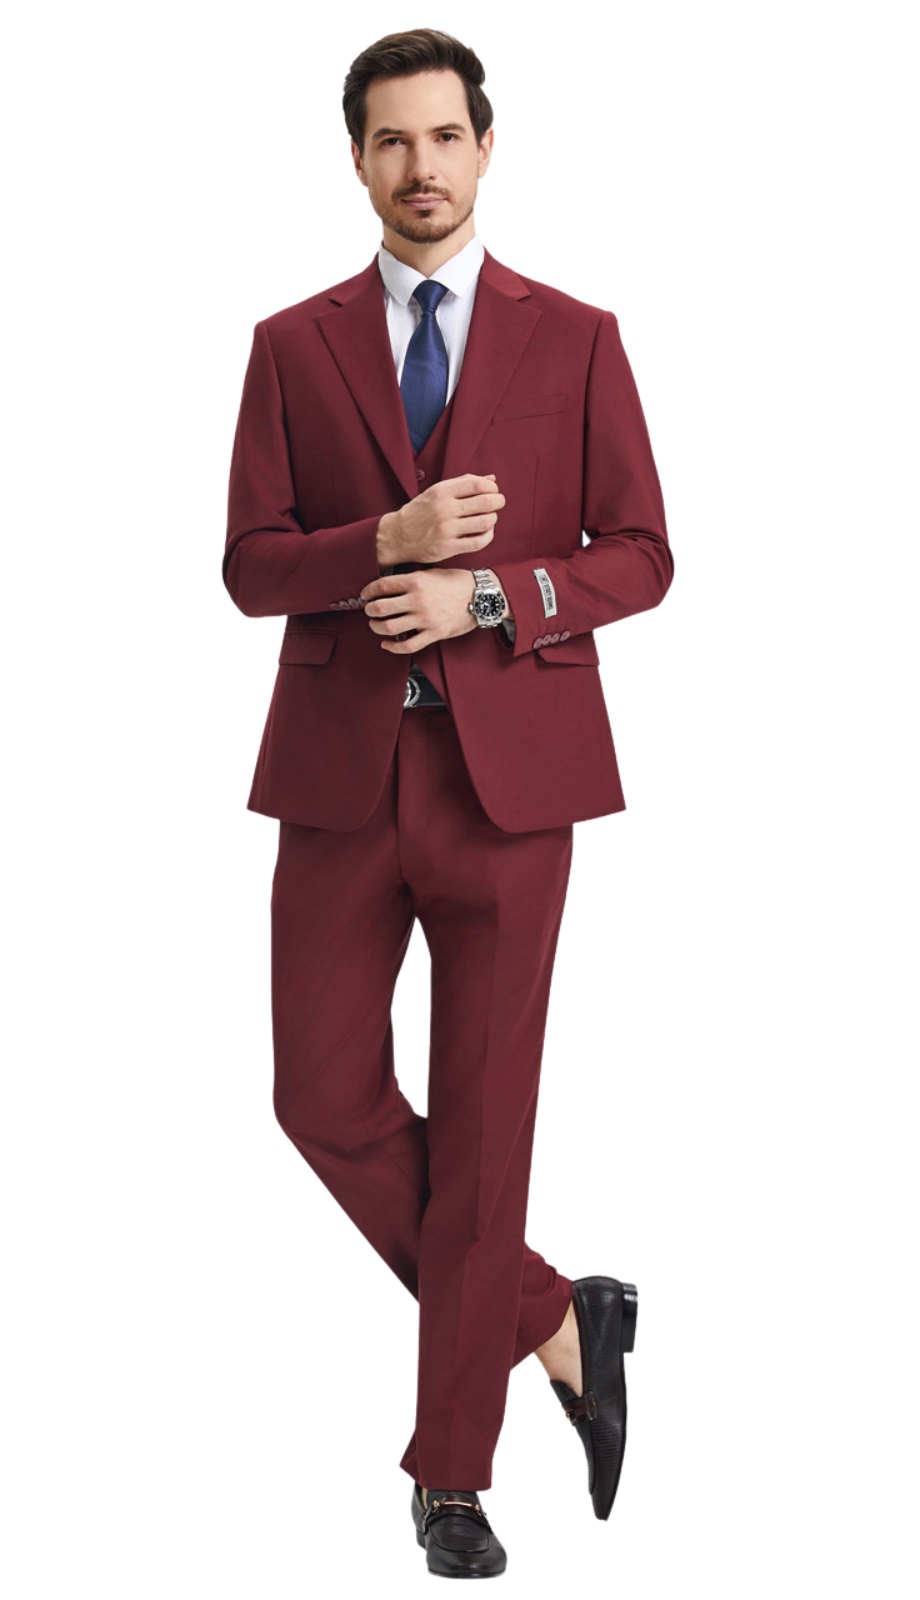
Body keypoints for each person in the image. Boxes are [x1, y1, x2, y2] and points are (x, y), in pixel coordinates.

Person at [223, 27, 672, 1580]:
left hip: (514, 789)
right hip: (340, 780)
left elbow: (642, 554)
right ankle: (554, 1314)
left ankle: (453, 1478)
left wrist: (487, 594)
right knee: (318, 1098)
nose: (421, 167)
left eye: (445, 136)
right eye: (391, 140)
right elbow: (249, 567)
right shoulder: (291, 345)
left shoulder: (579, 339)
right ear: (358, 159)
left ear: (487, 147)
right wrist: (385, 542)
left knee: (487, 1136)